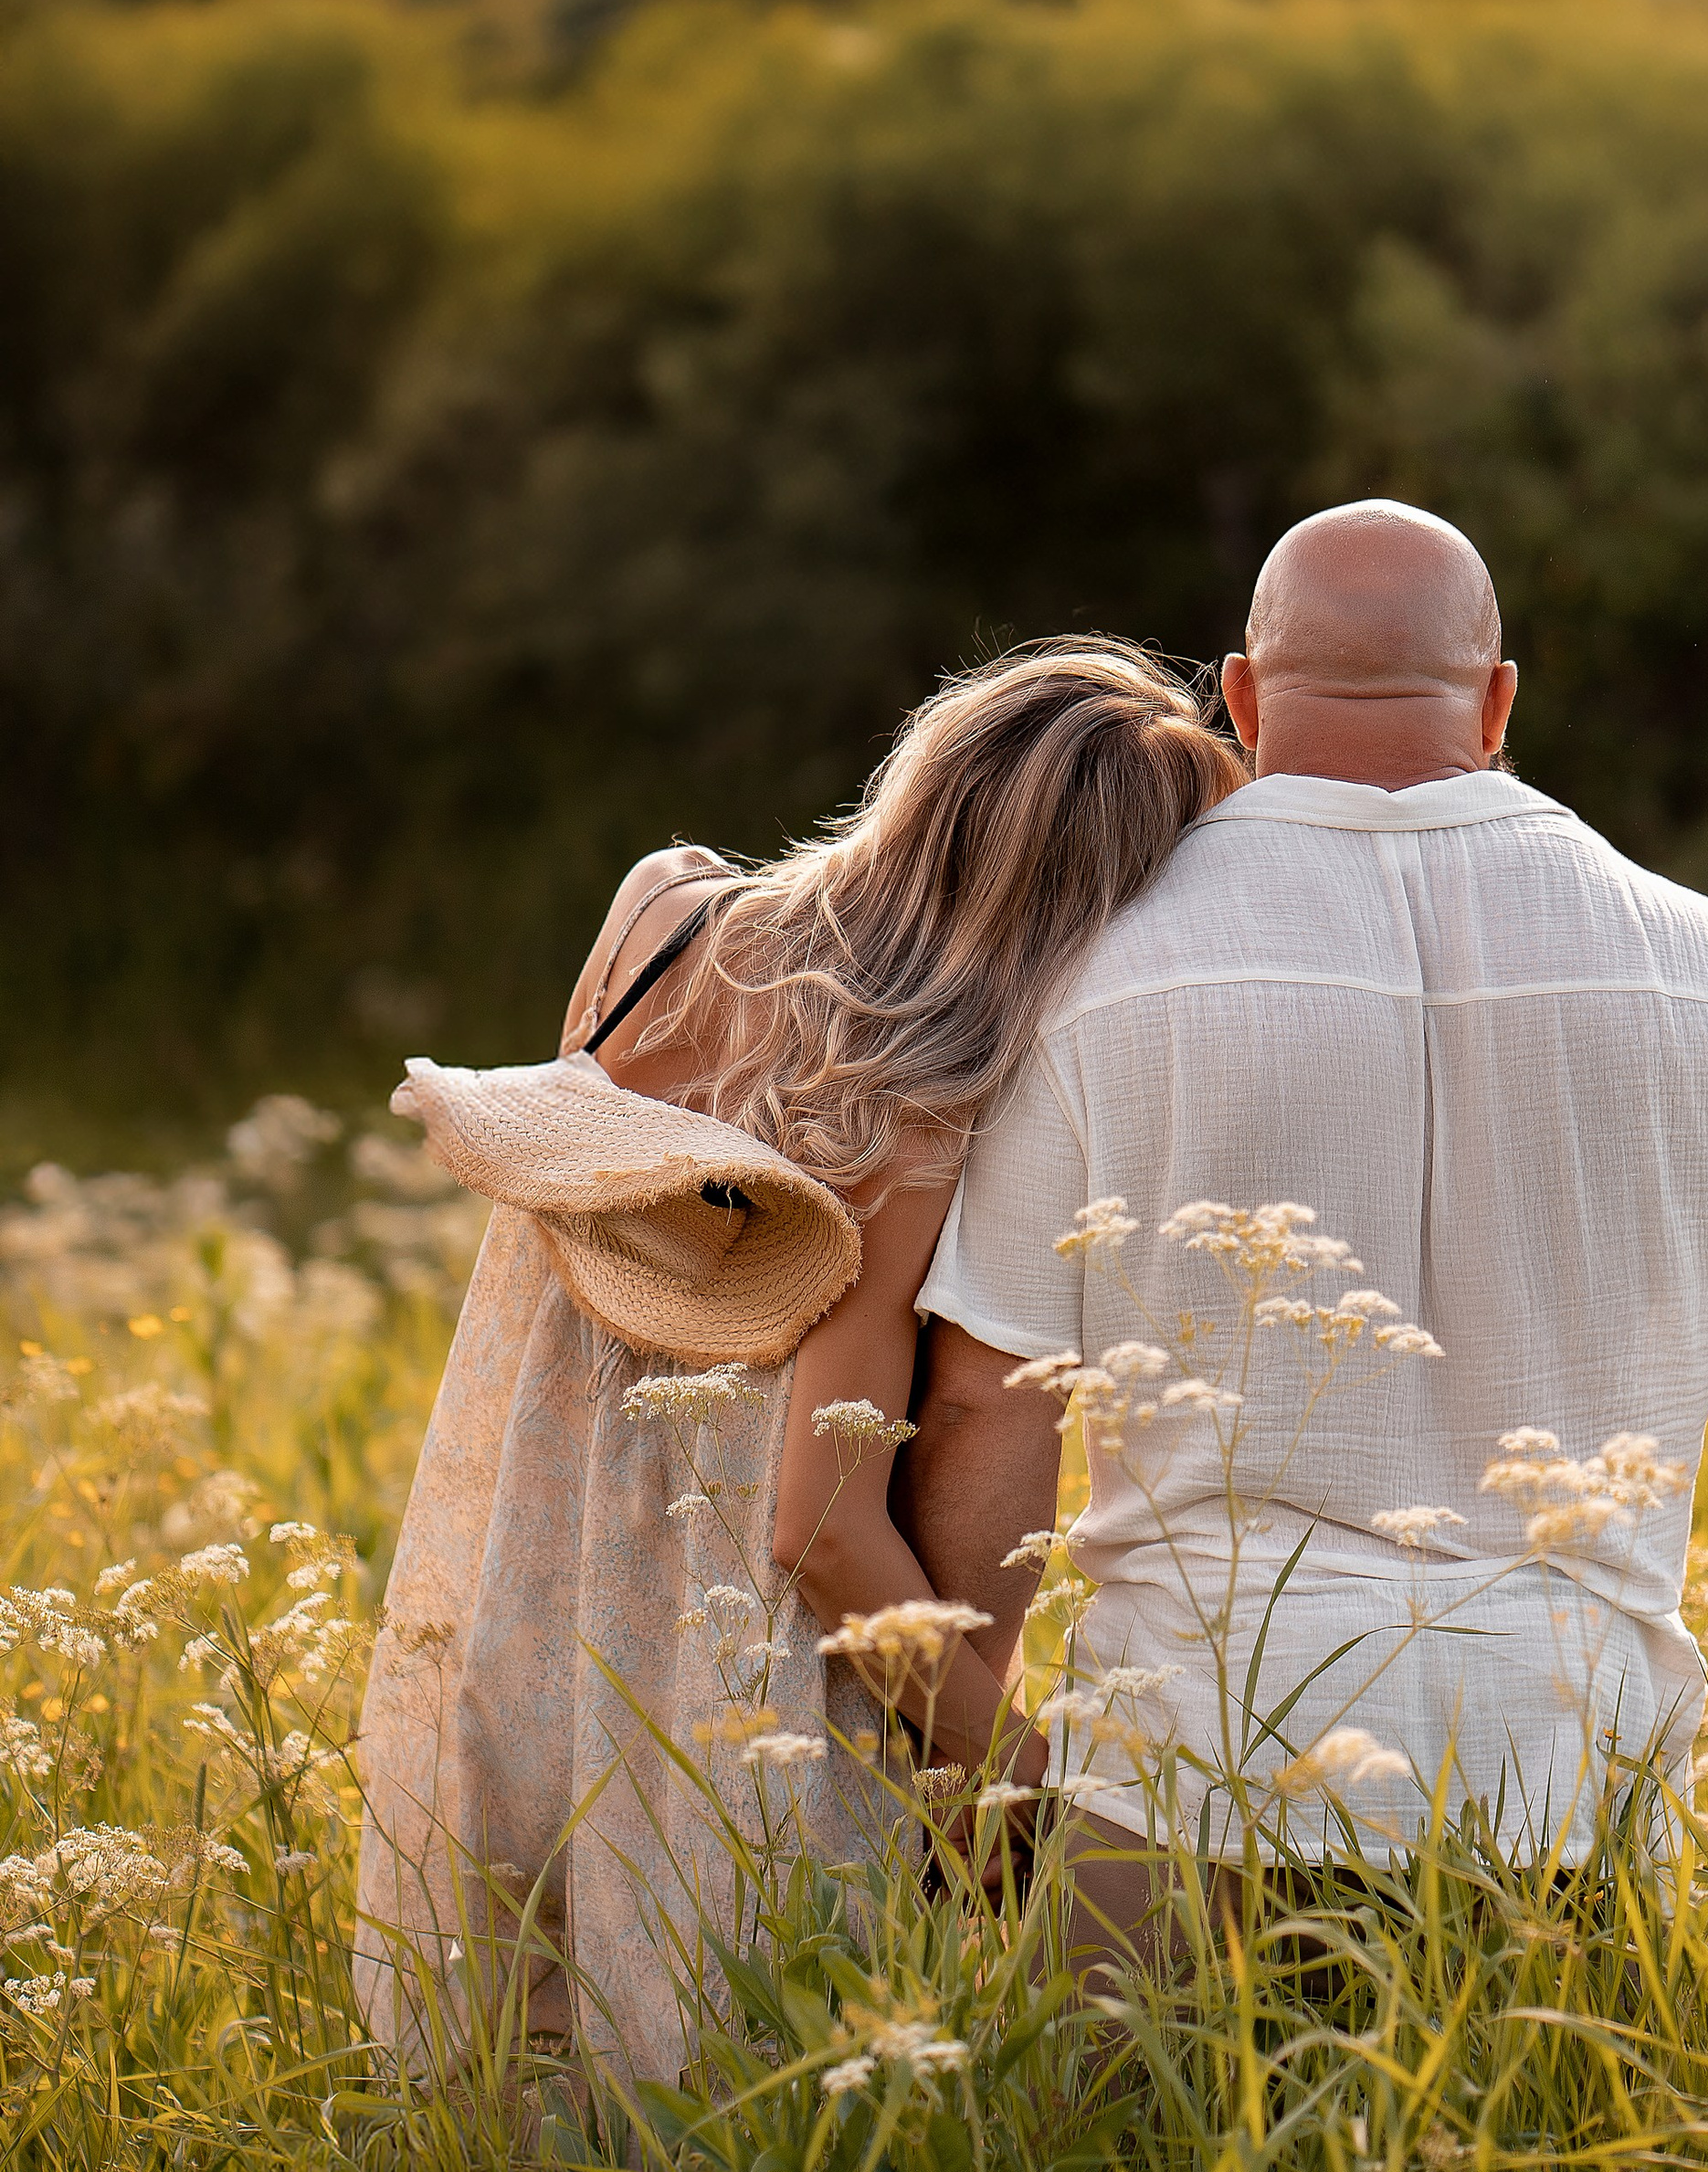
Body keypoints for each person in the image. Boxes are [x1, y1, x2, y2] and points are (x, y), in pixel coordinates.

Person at [898, 500, 1708, 1952]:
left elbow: (985, 1404)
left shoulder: (1094, 977)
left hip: (1189, 1789)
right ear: (1499, 702)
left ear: (1242, 701)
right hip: (1576, 1792)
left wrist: (978, 1745)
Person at [355, 642, 1247, 2076]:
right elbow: (818, 1527)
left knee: (518, 2043)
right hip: (733, 1645)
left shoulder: (654, 911)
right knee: (729, 2081)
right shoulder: (917, 1109)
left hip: (534, 1559)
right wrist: (1022, 1792)